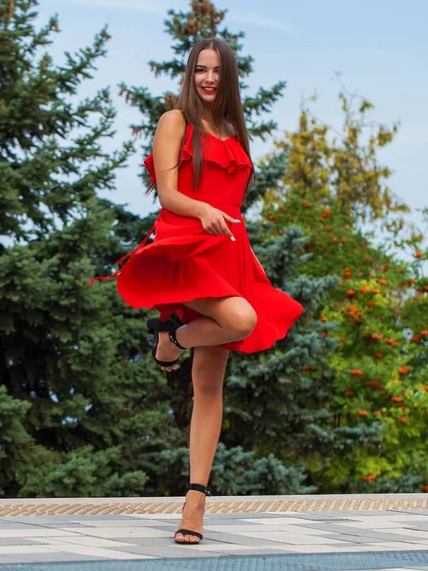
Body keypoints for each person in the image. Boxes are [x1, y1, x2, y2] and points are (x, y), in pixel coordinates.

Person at [90, 37, 303, 544]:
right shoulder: (175, 122)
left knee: (209, 388)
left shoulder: (233, 131)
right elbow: (168, 193)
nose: (208, 78)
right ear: (191, 74)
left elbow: (232, 204)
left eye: (216, 71)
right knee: (242, 319)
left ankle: (195, 503)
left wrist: (239, 244)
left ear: (228, 77)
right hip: (185, 249)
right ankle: (173, 337)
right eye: (200, 70)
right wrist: (202, 210)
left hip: (228, 255)